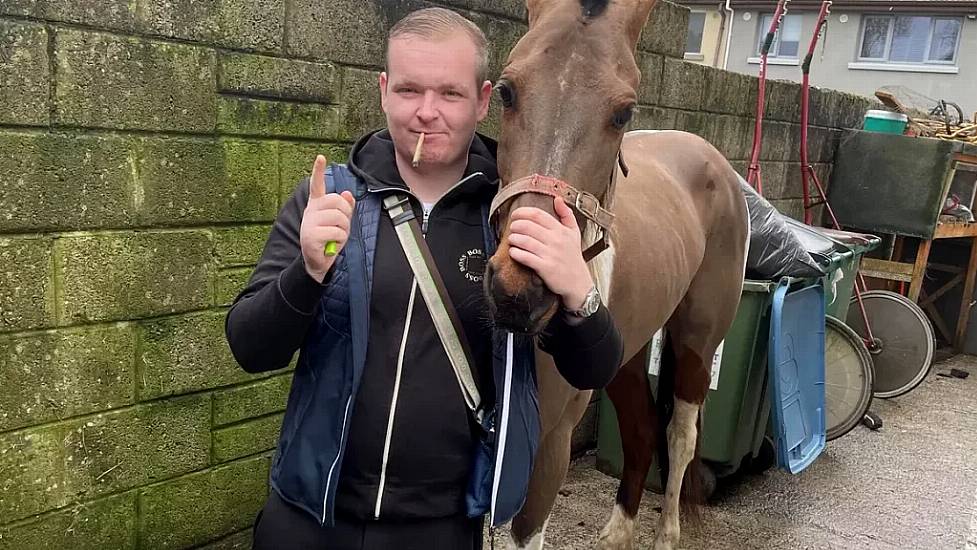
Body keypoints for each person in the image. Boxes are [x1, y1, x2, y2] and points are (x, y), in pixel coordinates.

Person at [225, 7, 624, 550]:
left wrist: (580, 295)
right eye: (410, 91)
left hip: (440, 530)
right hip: (309, 518)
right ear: (384, 91)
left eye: (450, 95)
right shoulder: (330, 197)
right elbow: (250, 347)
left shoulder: (512, 223)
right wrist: (308, 272)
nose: (426, 114)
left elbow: (592, 369)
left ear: (484, 100)